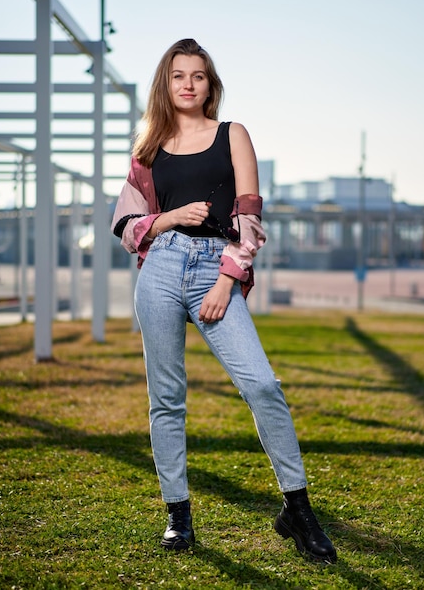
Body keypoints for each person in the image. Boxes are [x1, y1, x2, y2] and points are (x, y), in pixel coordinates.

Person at [111, 38, 337, 564]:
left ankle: (298, 511)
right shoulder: (147, 147)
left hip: (217, 269)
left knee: (261, 385)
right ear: (165, 85)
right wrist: (166, 218)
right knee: (166, 399)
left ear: (211, 84)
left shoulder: (233, 134)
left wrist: (225, 282)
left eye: (199, 75)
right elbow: (123, 223)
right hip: (161, 268)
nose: (188, 84)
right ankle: (178, 515)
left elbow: (251, 218)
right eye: (178, 75)